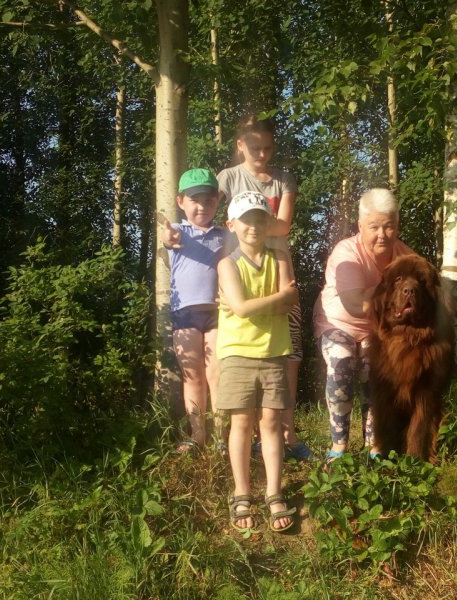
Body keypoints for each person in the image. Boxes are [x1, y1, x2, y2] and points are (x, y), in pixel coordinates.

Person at [217, 114, 314, 461]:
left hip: (278, 268)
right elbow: (212, 218)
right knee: (241, 352)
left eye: (268, 148)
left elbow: (284, 226)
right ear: (240, 145)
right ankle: (244, 433)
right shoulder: (227, 177)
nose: (261, 154)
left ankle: (286, 432)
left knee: (287, 352)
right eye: (254, 147)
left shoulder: (284, 178)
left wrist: (249, 226)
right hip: (240, 273)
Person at [216, 190, 298, 533]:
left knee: (271, 424)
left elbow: (288, 304)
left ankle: (274, 491)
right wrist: (279, 297)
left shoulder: (279, 258)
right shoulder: (226, 264)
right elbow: (241, 307)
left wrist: (263, 302)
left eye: (260, 218)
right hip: (236, 353)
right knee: (241, 425)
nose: (254, 226)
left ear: (269, 223)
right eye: (247, 219)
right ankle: (242, 493)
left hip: (274, 352)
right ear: (232, 224)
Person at [313, 188, 415, 462]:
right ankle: (338, 448)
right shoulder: (346, 252)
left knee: (377, 372)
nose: (382, 234)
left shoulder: (406, 257)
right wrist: (394, 296)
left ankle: (376, 447)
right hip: (338, 323)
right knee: (342, 362)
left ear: (397, 225)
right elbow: (355, 305)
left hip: (377, 329)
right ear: (361, 226)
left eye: (389, 226)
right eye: (374, 227)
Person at [159, 168, 225, 454]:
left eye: (208, 200)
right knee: (193, 376)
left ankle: (224, 437)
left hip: (219, 313)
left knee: (218, 374)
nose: (202, 206)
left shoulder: (226, 235)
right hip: (185, 313)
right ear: (180, 201)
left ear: (217, 201)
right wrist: (168, 236)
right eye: (194, 200)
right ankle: (198, 436)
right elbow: (167, 238)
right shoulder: (178, 231)